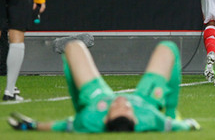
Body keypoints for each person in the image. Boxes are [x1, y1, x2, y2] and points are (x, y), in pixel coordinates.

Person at [8, 39, 200, 132]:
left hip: (96, 99)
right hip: (145, 99)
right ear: (134, 116)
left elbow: (62, 126)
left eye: (116, 107)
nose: (121, 101)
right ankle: (172, 110)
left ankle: (79, 105)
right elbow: (183, 126)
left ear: (106, 116)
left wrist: (32, 126)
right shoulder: (151, 118)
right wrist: (185, 122)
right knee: (168, 48)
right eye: (126, 107)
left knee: (73, 47)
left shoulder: (90, 119)